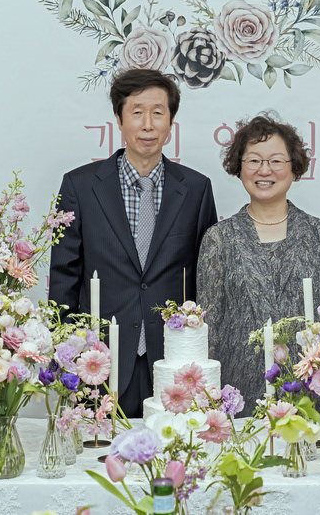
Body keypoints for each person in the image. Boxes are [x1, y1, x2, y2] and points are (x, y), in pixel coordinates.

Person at [49, 69, 218, 418]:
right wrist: (67, 350)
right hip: (100, 360)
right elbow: (64, 275)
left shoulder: (196, 188)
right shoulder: (79, 186)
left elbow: (207, 278)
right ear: (118, 118)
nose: (148, 125)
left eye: (158, 113)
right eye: (137, 112)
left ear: (171, 122)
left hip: (173, 360)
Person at [196, 113, 320, 410]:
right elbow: (208, 329)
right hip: (239, 397)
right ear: (239, 167)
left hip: (312, 396)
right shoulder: (219, 239)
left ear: (294, 168)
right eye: (254, 160)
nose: (264, 170)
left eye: (276, 161)